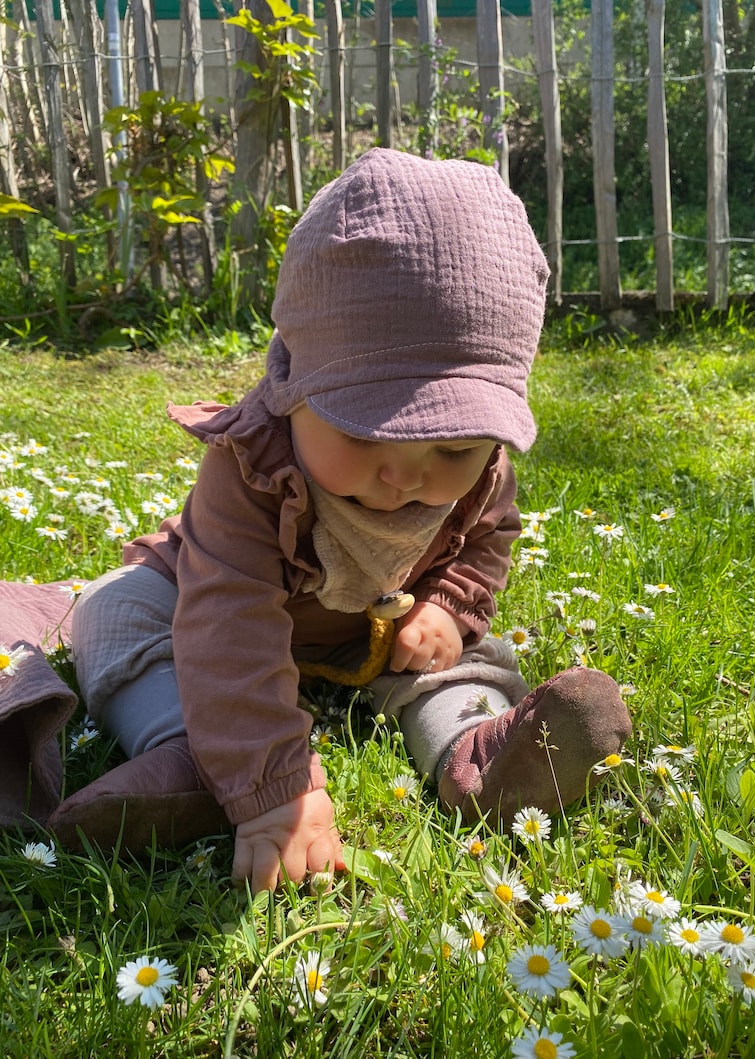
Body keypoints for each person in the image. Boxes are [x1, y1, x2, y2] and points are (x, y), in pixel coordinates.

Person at [48, 149, 632, 893]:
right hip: (203, 607)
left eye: (452, 445)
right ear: (295, 386)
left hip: (377, 630)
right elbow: (229, 622)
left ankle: (480, 757)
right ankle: (192, 752)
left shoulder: (484, 472)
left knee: (462, 659)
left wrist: (451, 605)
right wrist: (273, 783)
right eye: (364, 433)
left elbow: (489, 539)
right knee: (116, 613)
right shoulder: (249, 469)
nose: (405, 476)